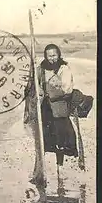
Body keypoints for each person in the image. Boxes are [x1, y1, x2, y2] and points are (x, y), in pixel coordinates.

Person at [25, 44, 78, 173]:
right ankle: (40, 169)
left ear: (59, 55)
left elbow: (67, 89)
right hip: (45, 110)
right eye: (49, 56)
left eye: (54, 55)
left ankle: (60, 168)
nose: (52, 58)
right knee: (45, 140)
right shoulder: (41, 69)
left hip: (59, 110)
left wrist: (50, 89)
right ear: (45, 56)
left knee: (61, 140)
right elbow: (33, 87)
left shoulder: (64, 69)